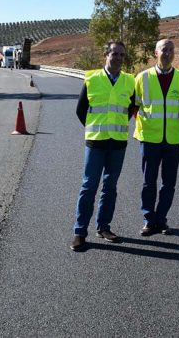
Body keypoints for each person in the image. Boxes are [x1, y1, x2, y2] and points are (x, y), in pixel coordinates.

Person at [70, 40, 136, 251]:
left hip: (118, 143)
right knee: (89, 186)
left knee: (110, 187)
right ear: (106, 55)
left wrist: (118, 125)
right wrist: (94, 127)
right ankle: (80, 232)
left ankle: (104, 227)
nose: (117, 58)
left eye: (121, 55)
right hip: (96, 142)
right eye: (114, 54)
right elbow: (81, 110)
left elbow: (130, 108)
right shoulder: (92, 79)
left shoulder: (129, 81)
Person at [134, 38, 179, 236]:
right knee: (148, 181)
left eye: (171, 50)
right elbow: (134, 106)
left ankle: (161, 219)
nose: (167, 53)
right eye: (163, 50)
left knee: (169, 183)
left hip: (173, 140)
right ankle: (149, 220)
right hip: (149, 139)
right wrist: (146, 123)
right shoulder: (142, 78)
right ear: (155, 53)